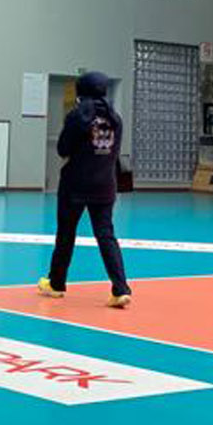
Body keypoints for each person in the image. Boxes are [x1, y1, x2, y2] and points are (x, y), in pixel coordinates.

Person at [39, 70, 132, 308]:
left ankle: (56, 284)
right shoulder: (115, 118)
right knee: (106, 235)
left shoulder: (77, 116)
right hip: (105, 185)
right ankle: (120, 289)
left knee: (66, 234)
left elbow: (63, 149)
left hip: (75, 185)